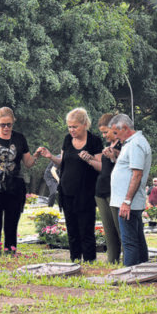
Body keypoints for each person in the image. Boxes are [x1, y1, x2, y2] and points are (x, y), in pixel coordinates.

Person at [38, 108, 104, 263]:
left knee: (86, 229)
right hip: (67, 191)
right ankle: (74, 260)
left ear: (85, 124)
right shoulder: (67, 139)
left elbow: (101, 167)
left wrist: (89, 159)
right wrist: (50, 157)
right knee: (72, 229)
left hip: (86, 192)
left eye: (75, 126)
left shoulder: (94, 141)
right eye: (69, 127)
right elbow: (63, 163)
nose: (72, 130)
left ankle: (89, 261)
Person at [0, 107, 39, 252]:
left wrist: (37, 155)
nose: (6, 128)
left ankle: (10, 250)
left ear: (13, 123)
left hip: (15, 185)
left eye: (9, 125)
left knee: (12, 221)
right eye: (2, 124)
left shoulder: (19, 138)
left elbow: (28, 163)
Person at [109, 114, 152, 266]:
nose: (114, 137)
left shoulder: (136, 144)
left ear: (125, 128)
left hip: (128, 202)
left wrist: (126, 201)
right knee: (137, 238)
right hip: (127, 201)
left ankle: (130, 274)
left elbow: (137, 174)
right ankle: (144, 269)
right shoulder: (131, 143)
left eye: (116, 133)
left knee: (129, 242)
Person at [86, 112, 122, 264]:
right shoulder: (108, 146)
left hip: (114, 192)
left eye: (106, 132)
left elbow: (124, 167)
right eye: (102, 133)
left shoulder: (123, 146)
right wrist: (90, 159)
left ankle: (128, 261)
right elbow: (103, 168)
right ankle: (111, 261)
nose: (104, 136)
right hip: (100, 191)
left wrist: (114, 156)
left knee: (120, 230)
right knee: (108, 231)